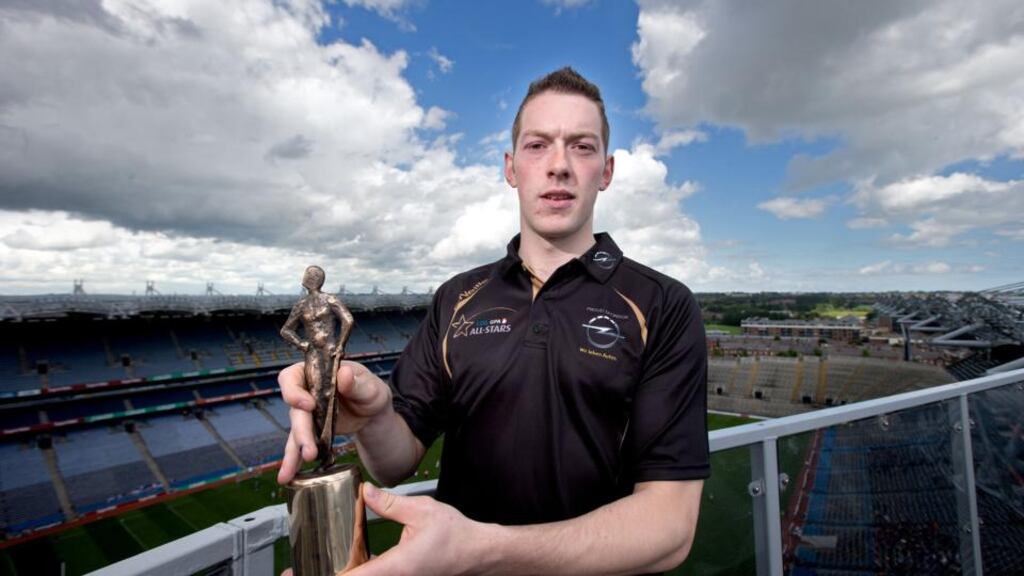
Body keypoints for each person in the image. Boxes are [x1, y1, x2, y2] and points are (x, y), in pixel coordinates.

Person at [278, 67, 709, 575]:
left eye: (582, 147)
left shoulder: (663, 304)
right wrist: (372, 418)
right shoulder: (457, 298)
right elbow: (394, 463)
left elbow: (669, 529)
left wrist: (482, 548)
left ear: (607, 171)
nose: (559, 166)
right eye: (537, 145)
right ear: (511, 167)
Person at [279, 265, 354, 470]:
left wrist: (340, 346)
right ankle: (324, 452)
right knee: (315, 397)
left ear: (316, 279)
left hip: (329, 351)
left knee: (329, 395)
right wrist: (301, 343)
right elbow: (286, 330)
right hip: (312, 353)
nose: (305, 276)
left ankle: (327, 452)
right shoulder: (301, 305)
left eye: (309, 274)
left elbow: (348, 319)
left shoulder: (329, 299)